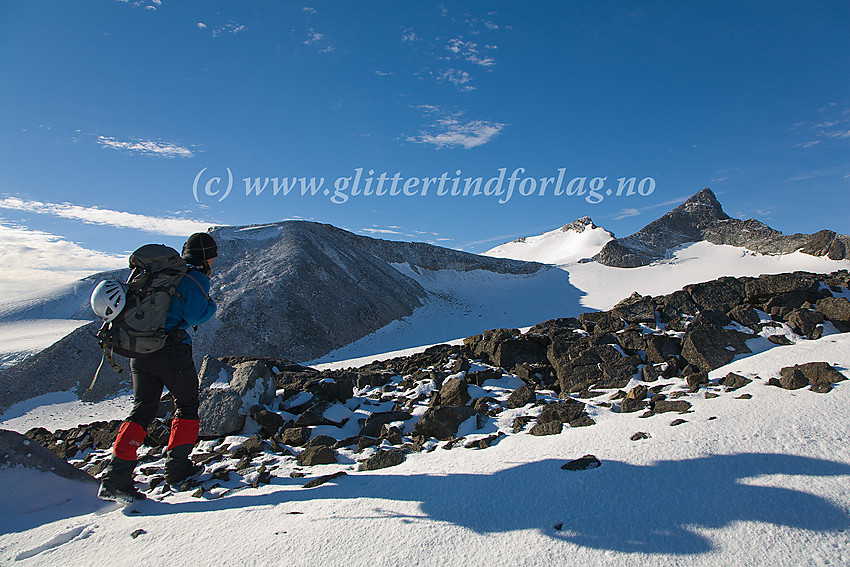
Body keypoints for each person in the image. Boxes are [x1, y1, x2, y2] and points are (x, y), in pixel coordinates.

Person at [99, 232, 218, 501]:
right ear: (208, 256)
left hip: (140, 351)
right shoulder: (194, 278)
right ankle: (177, 470)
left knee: (142, 409)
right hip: (171, 350)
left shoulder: (160, 274)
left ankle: (116, 476)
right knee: (186, 406)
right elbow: (197, 314)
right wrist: (212, 305)